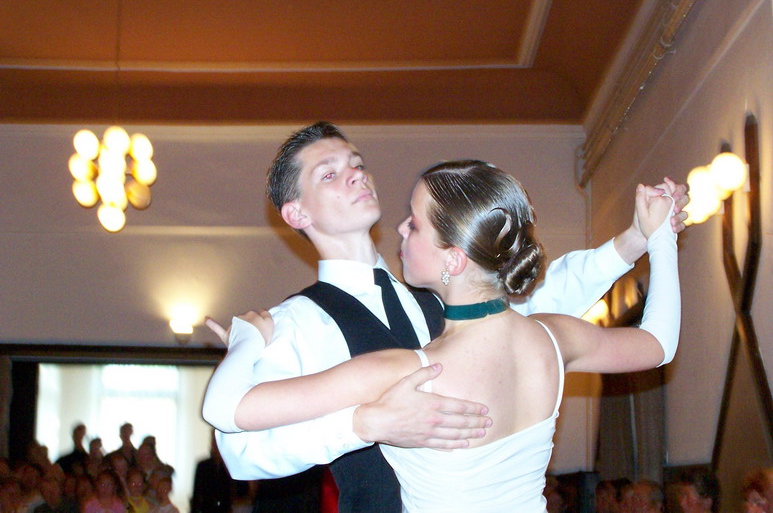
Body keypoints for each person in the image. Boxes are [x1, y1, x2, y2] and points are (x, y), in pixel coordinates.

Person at [203, 122, 688, 512]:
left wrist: (634, 241)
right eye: (328, 174)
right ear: (296, 214)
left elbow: (539, 300)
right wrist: (362, 425)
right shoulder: (293, 323)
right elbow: (241, 454)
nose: (356, 175)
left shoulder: (440, 291)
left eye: (357, 163)